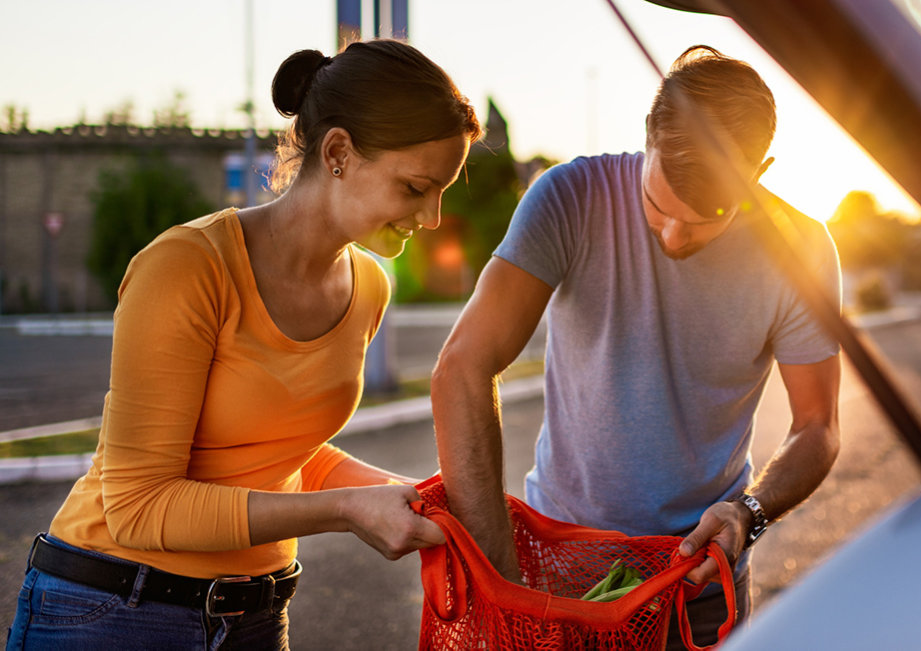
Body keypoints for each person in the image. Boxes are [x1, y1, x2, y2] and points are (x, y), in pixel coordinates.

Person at [5, 39, 480, 650]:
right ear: (338, 152)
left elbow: (281, 452)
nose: (434, 216)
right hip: (112, 611)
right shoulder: (187, 266)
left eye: (442, 190)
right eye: (416, 187)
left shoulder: (368, 288)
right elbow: (138, 507)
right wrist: (348, 511)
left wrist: (411, 497)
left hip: (255, 618)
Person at [431, 45, 841, 646]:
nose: (674, 236)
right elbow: (463, 368)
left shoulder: (801, 251)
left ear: (760, 169)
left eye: (705, 219)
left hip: (695, 584)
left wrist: (748, 514)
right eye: (658, 207)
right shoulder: (569, 197)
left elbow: (818, 426)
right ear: (648, 131)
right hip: (557, 575)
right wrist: (502, 576)